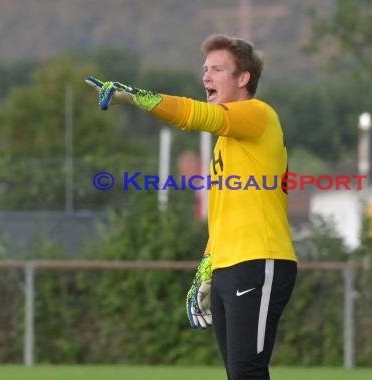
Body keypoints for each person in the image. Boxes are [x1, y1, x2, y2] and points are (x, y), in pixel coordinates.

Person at [86, 34, 297, 380]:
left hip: (261, 260)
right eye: (205, 69)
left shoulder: (258, 115)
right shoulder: (225, 144)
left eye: (217, 69)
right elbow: (224, 216)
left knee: (247, 372)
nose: (206, 77)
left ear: (243, 78)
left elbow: (192, 115)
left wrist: (135, 95)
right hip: (229, 265)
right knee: (238, 374)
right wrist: (206, 268)